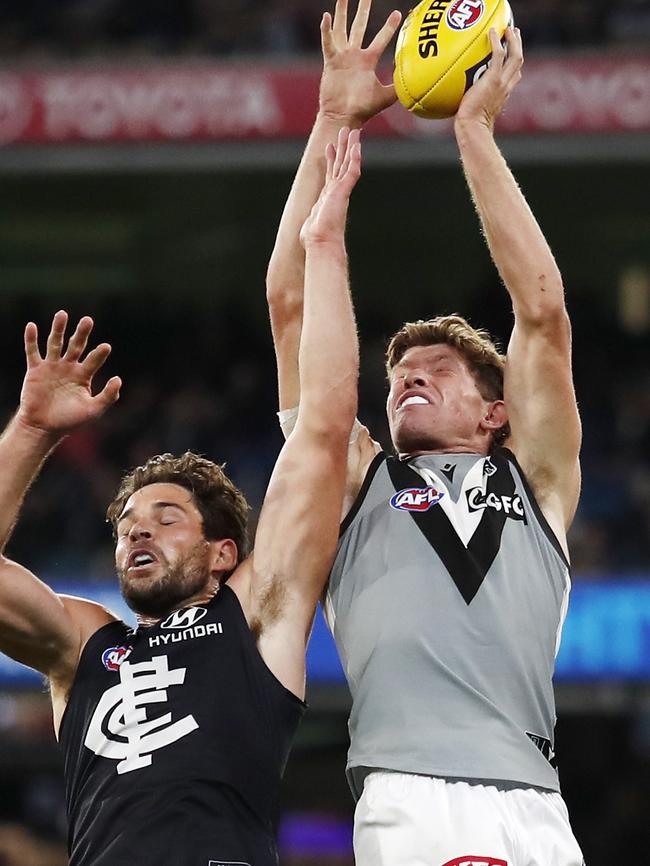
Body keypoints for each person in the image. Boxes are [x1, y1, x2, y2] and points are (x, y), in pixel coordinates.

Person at [266, 2, 585, 864]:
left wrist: (474, 133)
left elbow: (544, 314)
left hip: (540, 804)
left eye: (437, 369)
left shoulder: (541, 482)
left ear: (497, 412)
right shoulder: (357, 475)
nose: (407, 376)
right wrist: (330, 119)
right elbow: (292, 308)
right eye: (400, 371)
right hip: (411, 794)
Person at [0, 129, 362, 866]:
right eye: (129, 523)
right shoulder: (86, 646)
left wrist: (325, 224)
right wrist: (33, 431)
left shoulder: (256, 611)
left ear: (224, 552)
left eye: (166, 519)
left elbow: (322, 431)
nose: (138, 533)